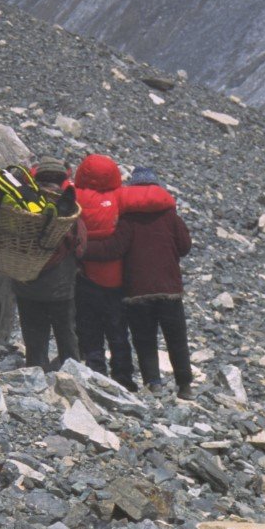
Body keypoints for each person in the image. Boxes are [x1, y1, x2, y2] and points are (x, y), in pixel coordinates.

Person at [82, 166, 195, 400]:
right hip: (170, 289)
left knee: (145, 339)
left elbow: (113, 249)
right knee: (176, 338)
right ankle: (185, 386)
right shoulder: (170, 217)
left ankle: (154, 383)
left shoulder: (128, 219)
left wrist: (81, 248)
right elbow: (184, 246)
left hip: (137, 291)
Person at [71, 154, 174, 390]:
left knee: (89, 327)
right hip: (117, 279)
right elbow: (156, 197)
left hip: (86, 277)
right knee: (118, 330)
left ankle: (95, 370)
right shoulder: (121, 197)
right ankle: (123, 376)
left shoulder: (74, 195)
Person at [11, 156, 84, 371]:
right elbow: (81, 246)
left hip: (26, 283)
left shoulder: (23, 202)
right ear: (62, 180)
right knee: (65, 333)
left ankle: (36, 373)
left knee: (34, 334)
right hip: (59, 286)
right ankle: (72, 376)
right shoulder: (70, 206)